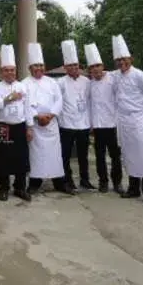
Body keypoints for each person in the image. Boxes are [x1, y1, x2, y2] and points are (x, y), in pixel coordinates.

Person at [112, 35, 143, 207]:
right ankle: (133, 189)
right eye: (118, 60)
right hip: (123, 121)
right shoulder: (115, 76)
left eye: (124, 59)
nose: (121, 63)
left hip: (139, 119)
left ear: (130, 59)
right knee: (129, 156)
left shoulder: (140, 76)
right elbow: (101, 76)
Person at [23, 43, 74, 195]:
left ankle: (59, 183)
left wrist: (50, 115)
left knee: (55, 155)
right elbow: (24, 104)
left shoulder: (52, 82)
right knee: (36, 156)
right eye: (35, 65)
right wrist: (37, 116)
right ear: (29, 68)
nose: (38, 68)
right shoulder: (24, 83)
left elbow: (59, 100)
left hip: (51, 124)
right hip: (36, 125)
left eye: (40, 65)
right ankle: (34, 183)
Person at [0, 44, 32, 202]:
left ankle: (20, 188)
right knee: (3, 158)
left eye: (12, 70)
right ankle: (4, 188)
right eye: (6, 70)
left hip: (20, 127)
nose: (9, 73)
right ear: (2, 72)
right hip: (3, 127)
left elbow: (27, 108)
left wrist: (29, 128)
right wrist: (8, 99)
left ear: (16, 71)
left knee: (21, 158)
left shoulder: (22, 86)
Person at [85, 43, 124, 194]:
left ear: (103, 66)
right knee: (99, 157)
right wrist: (91, 125)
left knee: (115, 156)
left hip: (114, 125)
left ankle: (117, 183)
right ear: (90, 70)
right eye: (92, 67)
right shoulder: (90, 84)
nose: (95, 69)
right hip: (98, 126)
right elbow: (89, 105)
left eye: (98, 65)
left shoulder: (113, 78)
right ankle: (103, 182)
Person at [57, 40, 95, 191]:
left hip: (83, 124)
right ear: (65, 67)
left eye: (76, 65)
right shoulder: (60, 82)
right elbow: (57, 103)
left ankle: (85, 179)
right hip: (66, 124)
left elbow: (90, 101)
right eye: (70, 65)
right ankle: (68, 180)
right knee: (65, 155)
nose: (74, 68)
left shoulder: (87, 81)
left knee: (83, 155)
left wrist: (91, 122)